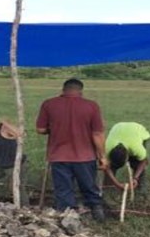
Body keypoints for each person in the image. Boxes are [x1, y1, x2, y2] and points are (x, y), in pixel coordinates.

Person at [35, 78, 107, 220]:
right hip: (85, 155)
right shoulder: (91, 106)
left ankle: (68, 217)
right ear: (80, 91)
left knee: (63, 189)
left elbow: (40, 129)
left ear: (63, 89)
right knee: (89, 186)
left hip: (59, 155)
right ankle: (97, 212)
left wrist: (53, 128)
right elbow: (97, 133)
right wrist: (102, 156)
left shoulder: (49, 104)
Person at [103, 122, 150, 191]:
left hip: (137, 129)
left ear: (127, 157)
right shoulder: (106, 149)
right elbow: (106, 167)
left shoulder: (136, 148)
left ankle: (139, 188)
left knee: (136, 164)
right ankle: (108, 189)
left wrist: (135, 178)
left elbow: (144, 161)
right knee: (111, 166)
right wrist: (117, 184)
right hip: (118, 127)